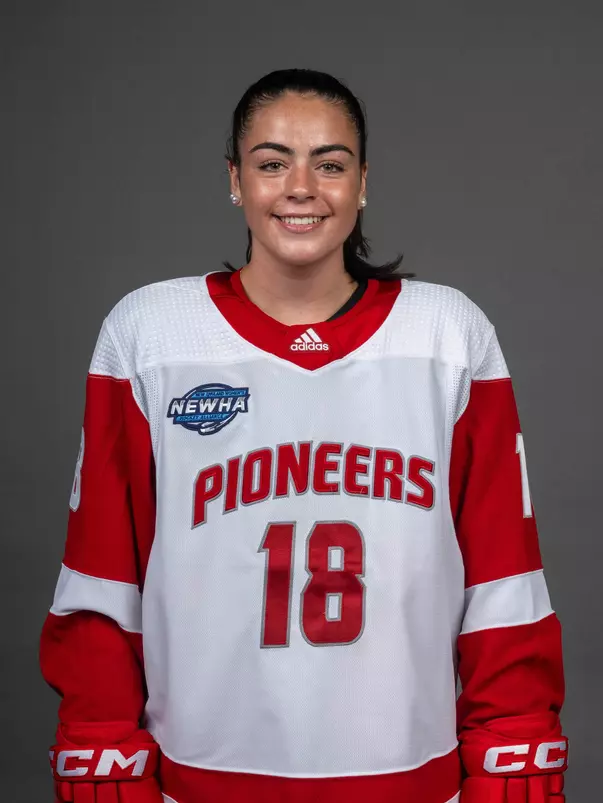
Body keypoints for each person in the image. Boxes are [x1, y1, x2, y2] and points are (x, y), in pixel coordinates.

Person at [40, 68, 568, 803]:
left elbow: (502, 580)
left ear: (361, 182)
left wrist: (515, 747)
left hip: (409, 779)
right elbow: (102, 575)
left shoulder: (448, 333)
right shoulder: (150, 334)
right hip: (199, 777)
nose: (300, 186)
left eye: (328, 163)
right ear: (234, 180)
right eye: (270, 162)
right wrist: (99, 748)